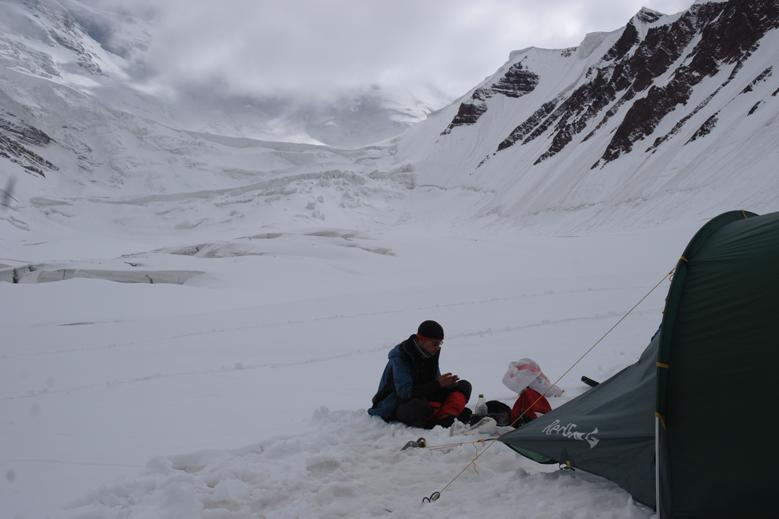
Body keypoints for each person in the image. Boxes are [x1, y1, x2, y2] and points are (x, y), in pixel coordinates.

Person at [368, 320, 473, 428]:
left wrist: (447, 385)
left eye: (440, 343)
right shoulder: (401, 357)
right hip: (395, 404)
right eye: (435, 343)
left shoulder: (430, 353)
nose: (438, 347)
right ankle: (442, 417)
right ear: (421, 340)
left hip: (423, 396)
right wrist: (438, 384)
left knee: (464, 386)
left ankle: (445, 416)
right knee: (419, 406)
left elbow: (434, 383)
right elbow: (404, 393)